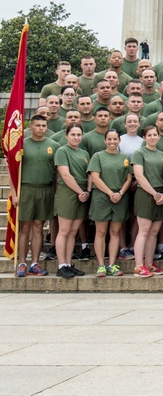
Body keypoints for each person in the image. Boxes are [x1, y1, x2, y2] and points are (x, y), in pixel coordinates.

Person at [13, 114, 59, 277]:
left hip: (45, 189)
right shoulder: (21, 145)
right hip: (27, 189)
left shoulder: (54, 145)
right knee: (25, 227)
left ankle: (34, 263)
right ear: (30, 127)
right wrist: (14, 193)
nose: (41, 128)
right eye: (37, 125)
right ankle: (22, 262)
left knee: (39, 227)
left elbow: (56, 173)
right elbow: (14, 171)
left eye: (43, 126)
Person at [88, 129, 132, 277]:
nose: (112, 142)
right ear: (105, 141)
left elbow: (129, 178)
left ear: (119, 140)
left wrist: (120, 193)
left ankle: (112, 264)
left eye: (115, 139)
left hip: (119, 197)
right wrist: (110, 193)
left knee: (115, 231)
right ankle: (101, 264)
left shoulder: (124, 157)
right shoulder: (98, 156)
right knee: (101, 231)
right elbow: (95, 177)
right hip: (102, 196)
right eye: (109, 139)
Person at [130, 125, 163, 277]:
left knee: (154, 232)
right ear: (145, 137)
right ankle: (139, 266)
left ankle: (149, 263)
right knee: (144, 230)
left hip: (160, 193)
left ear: (159, 137)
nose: (153, 137)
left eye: (155, 135)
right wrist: (154, 193)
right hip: (146, 193)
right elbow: (139, 176)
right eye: (150, 135)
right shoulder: (139, 153)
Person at [53, 125, 90, 279]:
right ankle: (61, 264)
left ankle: (68, 263)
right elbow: (65, 175)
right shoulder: (62, 151)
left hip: (82, 192)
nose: (76, 137)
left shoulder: (84, 153)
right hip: (68, 191)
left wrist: (87, 191)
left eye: (79, 134)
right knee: (64, 230)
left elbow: (89, 174)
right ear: (66, 135)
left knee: (73, 231)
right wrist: (80, 192)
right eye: (73, 134)